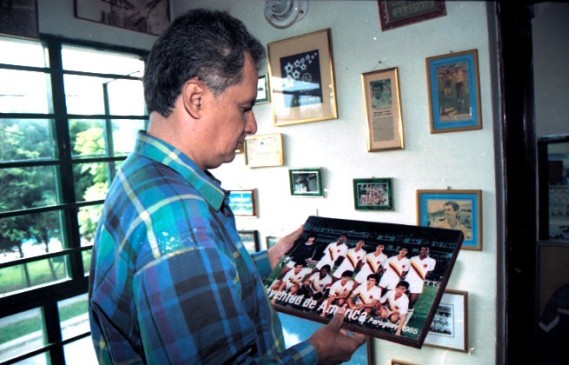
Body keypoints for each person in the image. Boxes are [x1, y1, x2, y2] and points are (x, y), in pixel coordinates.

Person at [88, 9, 365, 364]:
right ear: (196, 98)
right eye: (245, 107)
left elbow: (198, 274)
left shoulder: (140, 174)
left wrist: (272, 259)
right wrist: (317, 353)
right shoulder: (180, 217)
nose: (251, 126)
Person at [405, 246, 437, 324]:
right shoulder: (413, 258)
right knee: (403, 299)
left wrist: (421, 277)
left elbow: (429, 272)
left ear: (428, 251)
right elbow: (407, 269)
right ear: (420, 250)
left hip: (418, 283)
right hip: (408, 281)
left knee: (412, 302)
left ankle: (407, 318)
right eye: (423, 249)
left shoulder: (432, 261)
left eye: (426, 250)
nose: (424, 251)